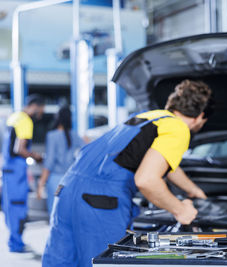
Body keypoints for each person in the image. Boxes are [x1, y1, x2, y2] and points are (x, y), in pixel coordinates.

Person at [42, 80, 214, 267]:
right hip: (100, 200)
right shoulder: (178, 129)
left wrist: (194, 191)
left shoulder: (147, 118)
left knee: (61, 262)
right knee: (104, 263)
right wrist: (180, 210)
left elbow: (164, 163)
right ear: (200, 116)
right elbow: (146, 180)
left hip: (67, 190)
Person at [1, 94, 45, 253]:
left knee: (10, 206)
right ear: (35, 106)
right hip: (17, 170)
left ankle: (14, 241)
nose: (41, 113)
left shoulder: (14, 117)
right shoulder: (26, 121)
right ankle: (16, 244)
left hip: (7, 168)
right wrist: (36, 156)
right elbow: (20, 149)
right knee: (19, 206)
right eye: (41, 109)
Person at [37, 105, 85, 215]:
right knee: (68, 215)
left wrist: (41, 184)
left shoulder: (52, 136)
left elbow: (49, 162)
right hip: (71, 180)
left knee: (55, 215)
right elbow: (86, 150)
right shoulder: (75, 135)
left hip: (56, 181)